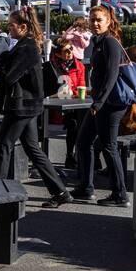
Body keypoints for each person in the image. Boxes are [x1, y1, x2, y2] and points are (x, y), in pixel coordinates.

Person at [0, 10, 71, 208]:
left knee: (4, 146)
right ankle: (60, 191)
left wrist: (2, 60)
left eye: (12, 25)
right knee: (32, 149)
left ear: (23, 27)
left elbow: (9, 77)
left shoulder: (27, 48)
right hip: (28, 104)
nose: (9, 29)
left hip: (22, 106)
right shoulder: (27, 46)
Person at [72, 3, 131, 207]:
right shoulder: (98, 42)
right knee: (84, 141)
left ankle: (120, 194)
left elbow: (112, 75)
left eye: (99, 20)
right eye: (92, 19)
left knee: (109, 146)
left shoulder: (110, 43)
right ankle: (86, 187)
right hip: (101, 101)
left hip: (111, 103)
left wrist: (98, 101)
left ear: (108, 21)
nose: (95, 23)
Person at [43, 35, 86, 177]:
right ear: (57, 53)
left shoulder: (79, 66)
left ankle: (72, 155)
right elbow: (45, 91)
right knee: (72, 123)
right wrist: (57, 94)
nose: (69, 53)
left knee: (78, 122)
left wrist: (72, 93)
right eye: (66, 51)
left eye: (71, 49)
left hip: (73, 107)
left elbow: (82, 87)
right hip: (53, 110)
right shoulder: (49, 67)